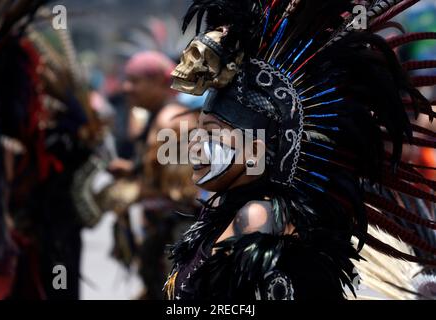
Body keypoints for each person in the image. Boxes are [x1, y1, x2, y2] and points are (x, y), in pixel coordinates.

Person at [165, 0, 436, 300]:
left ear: (255, 152)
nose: (193, 146)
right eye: (199, 130)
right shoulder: (228, 208)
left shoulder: (259, 217)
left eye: (211, 133)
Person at [107, 51, 200, 299]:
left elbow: (182, 189)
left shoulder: (173, 121)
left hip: (176, 232)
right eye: (126, 80)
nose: (127, 88)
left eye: (135, 81)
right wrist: (132, 170)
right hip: (161, 231)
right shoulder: (158, 116)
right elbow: (160, 170)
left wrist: (131, 191)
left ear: (160, 82)